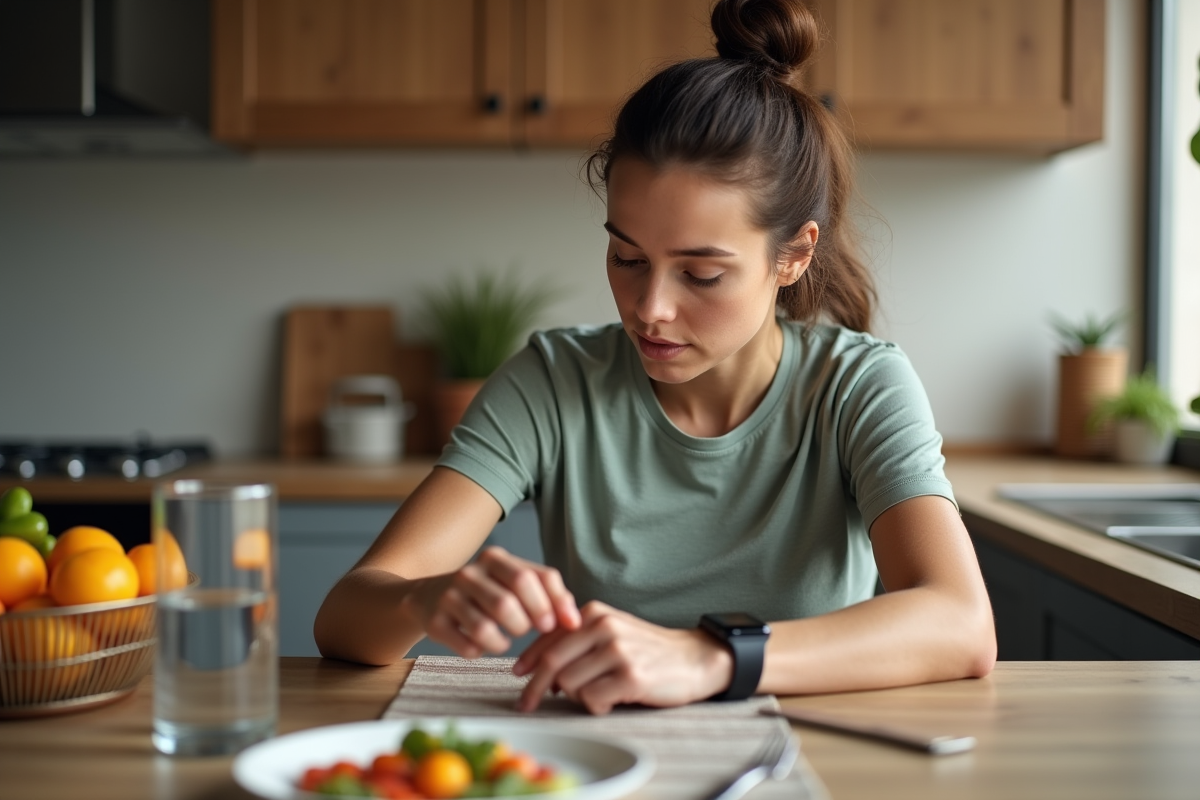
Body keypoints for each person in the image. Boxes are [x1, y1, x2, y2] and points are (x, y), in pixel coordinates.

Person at [314, 0, 996, 716]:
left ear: (793, 256)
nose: (650, 307)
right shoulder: (555, 382)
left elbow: (961, 622)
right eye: (626, 257)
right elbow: (344, 619)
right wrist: (428, 596)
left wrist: (710, 658)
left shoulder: (858, 385)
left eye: (701, 273)